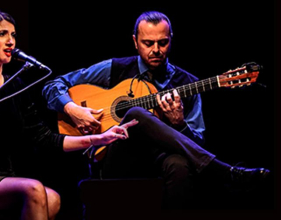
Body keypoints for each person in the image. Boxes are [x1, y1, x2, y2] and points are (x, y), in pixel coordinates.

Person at [0, 8, 138, 220]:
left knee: (53, 199)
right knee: (34, 189)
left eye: (14, 35)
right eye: (2, 34)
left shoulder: (15, 85)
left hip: (3, 177)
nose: (11, 42)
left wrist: (100, 138)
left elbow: (43, 137)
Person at [42, 10, 270, 208]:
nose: (156, 50)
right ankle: (224, 171)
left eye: (163, 43)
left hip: (160, 158)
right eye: (148, 43)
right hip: (115, 156)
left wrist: (180, 124)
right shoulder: (115, 68)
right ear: (135, 41)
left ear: (171, 40)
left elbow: (197, 145)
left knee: (179, 165)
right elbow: (52, 85)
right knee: (135, 114)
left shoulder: (187, 84)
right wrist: (72, 109)